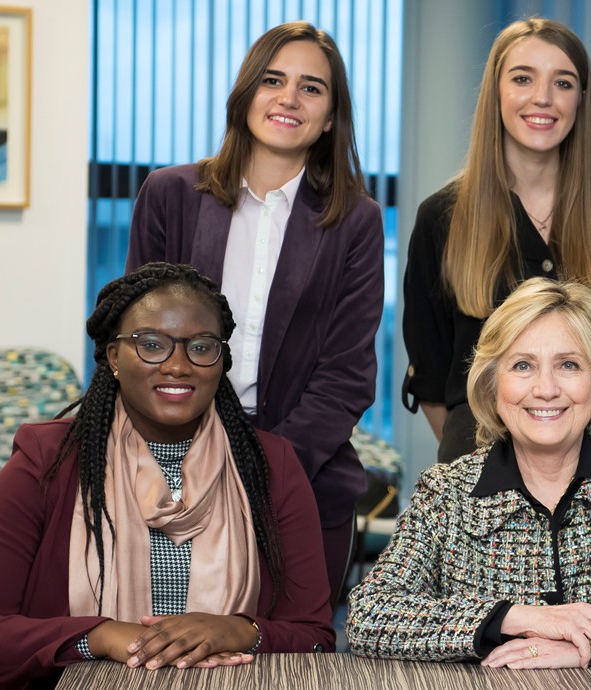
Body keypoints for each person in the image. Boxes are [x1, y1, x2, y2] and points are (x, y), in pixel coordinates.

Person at [0, 263, 334, 689]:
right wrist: (98, 636)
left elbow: (314, 637)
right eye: (151, 344)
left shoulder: (271, 465)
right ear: (114, 357)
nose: (178, 365)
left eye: (200, 346)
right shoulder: (48, 461)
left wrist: (241, 630)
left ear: (220, 361)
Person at [348, 278, 591, 668]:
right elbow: (369, 614)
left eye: (569, 365)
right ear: (493, 387)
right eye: (523, 365)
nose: (545, 389)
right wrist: (518, 617)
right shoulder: (446, 493)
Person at [126, 21, 382, 601]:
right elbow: (136, 342)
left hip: (303, 480)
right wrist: (184, 464)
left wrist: (257, 470)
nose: (289, 98)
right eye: (273, 80)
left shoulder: (355, 221)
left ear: (330, 116)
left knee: (289, 660)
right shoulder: (169, 194)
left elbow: (346, 376)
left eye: (312, 88)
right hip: (169, 476)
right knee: (165, 657)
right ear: (246, 94)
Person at [402, 17, 591, 463]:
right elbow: (431, 382)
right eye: (523, 78)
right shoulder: (441, 218)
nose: (542, 97)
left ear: (581, 98)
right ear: (496, 92)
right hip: (478, 479)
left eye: (562, 82)